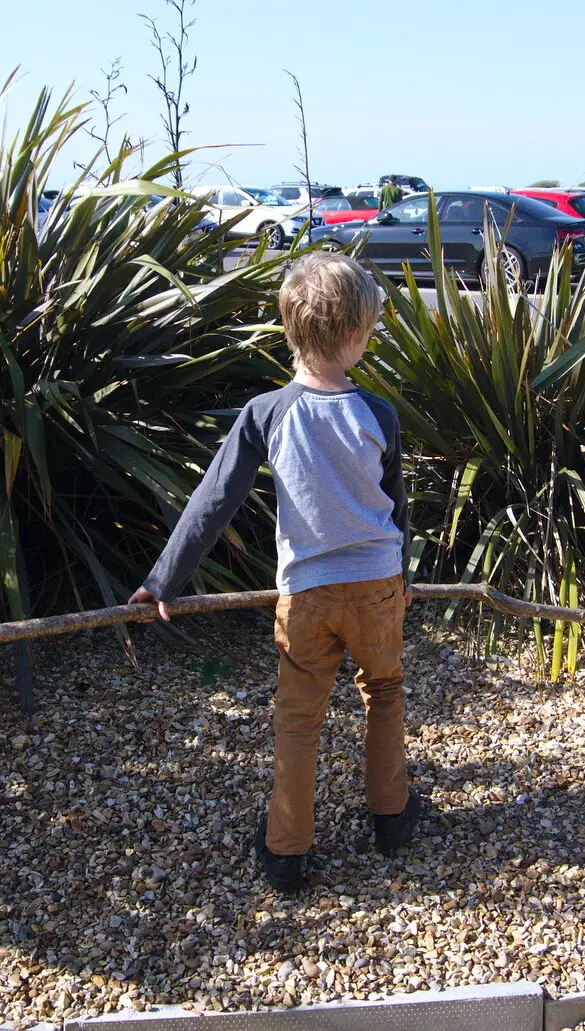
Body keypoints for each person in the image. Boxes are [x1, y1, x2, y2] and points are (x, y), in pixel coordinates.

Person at [128, 252, 421, 894]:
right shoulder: (379, 414)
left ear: (291, 330)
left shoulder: (267, 412)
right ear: (353, 338)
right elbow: (397, 508)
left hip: (308, 594)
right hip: (376, 587)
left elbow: (215, 497)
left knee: (298, 718)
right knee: (387, 693)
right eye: (368, 332)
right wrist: (403, 579)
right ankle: (392, 820)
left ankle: (287, 852)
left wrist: (164, 579)